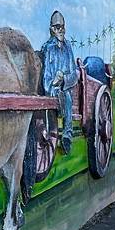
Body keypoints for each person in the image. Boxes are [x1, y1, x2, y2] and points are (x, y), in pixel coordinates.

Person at [41, 11, 78, 155]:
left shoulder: (68, 47)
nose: (60, 30)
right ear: (51, 29)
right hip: (51, 87)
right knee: (60, 95)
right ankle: (50, 131)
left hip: (64, 87)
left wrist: (64, 81)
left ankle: (67, 135)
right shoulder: (48, 48)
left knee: (67, 96)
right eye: (57, 27)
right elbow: (46, 76)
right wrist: (53, 84)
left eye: (62, 26)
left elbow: (73, 74)